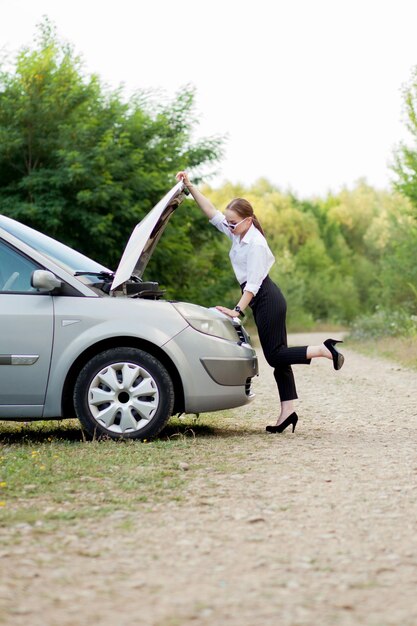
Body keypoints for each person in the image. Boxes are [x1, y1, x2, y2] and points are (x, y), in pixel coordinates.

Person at [176, 171, 345, 434]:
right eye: (229, 223)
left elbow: (253, 286)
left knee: (275, 355)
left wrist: (236, 311)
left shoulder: (255, 243)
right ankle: (288, 412)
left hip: (266, 298)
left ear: (248, 220)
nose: (229, 226)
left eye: (233, 223)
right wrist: (189, 186)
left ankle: (324, 349)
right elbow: (211, 212)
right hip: (265, 298)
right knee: (280, 358)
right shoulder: (238, 233)